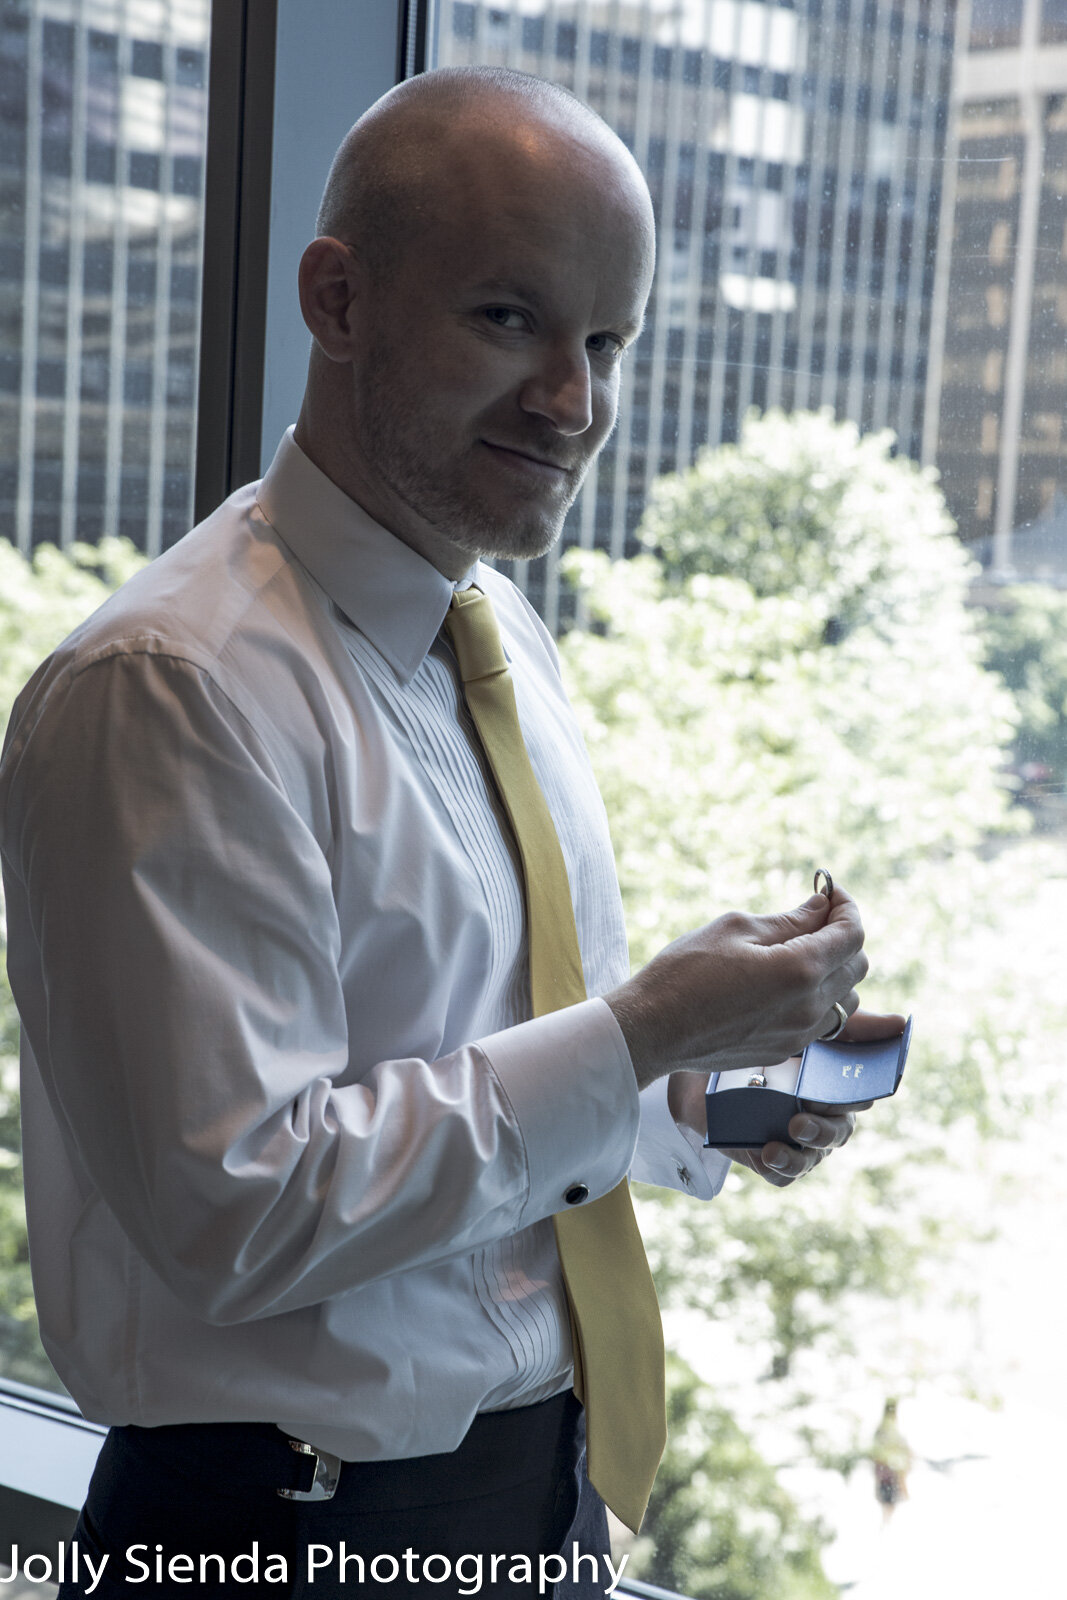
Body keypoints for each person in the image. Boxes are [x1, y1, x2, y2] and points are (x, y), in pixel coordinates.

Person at [0, 66, 903, 1598]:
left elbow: (469, 1079)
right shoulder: (166, 691)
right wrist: (632, 1035)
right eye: (510, 321)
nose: (577, 401)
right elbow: (243, 1207)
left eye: (606, 343)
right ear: (337, 302)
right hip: (276, 1539)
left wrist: (690, 1098)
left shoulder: (497, 633)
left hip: (530, 1509)